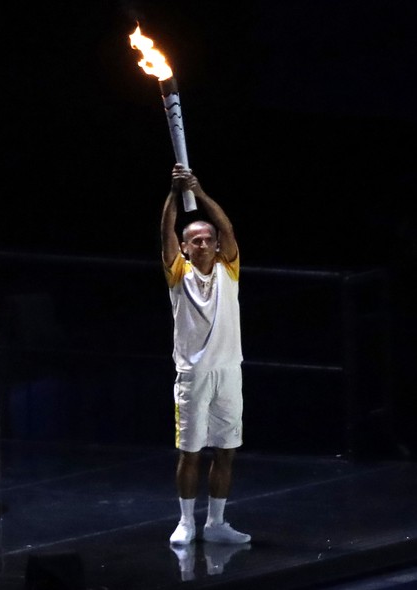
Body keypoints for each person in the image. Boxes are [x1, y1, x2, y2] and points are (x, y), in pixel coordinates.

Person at [161, 163, 251, 546]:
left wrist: (198, 191)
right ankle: (186, 522)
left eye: (207, 239)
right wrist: (173, 193)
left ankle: (216, 523)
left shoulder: (228, 269)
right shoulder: (178, 273)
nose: (203, 244)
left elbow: (228, 227)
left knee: (226, 450)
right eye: (195, 240)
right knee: (191, 451)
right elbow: (165, 231)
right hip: (193, 376)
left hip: (228, 373)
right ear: (185, 247)